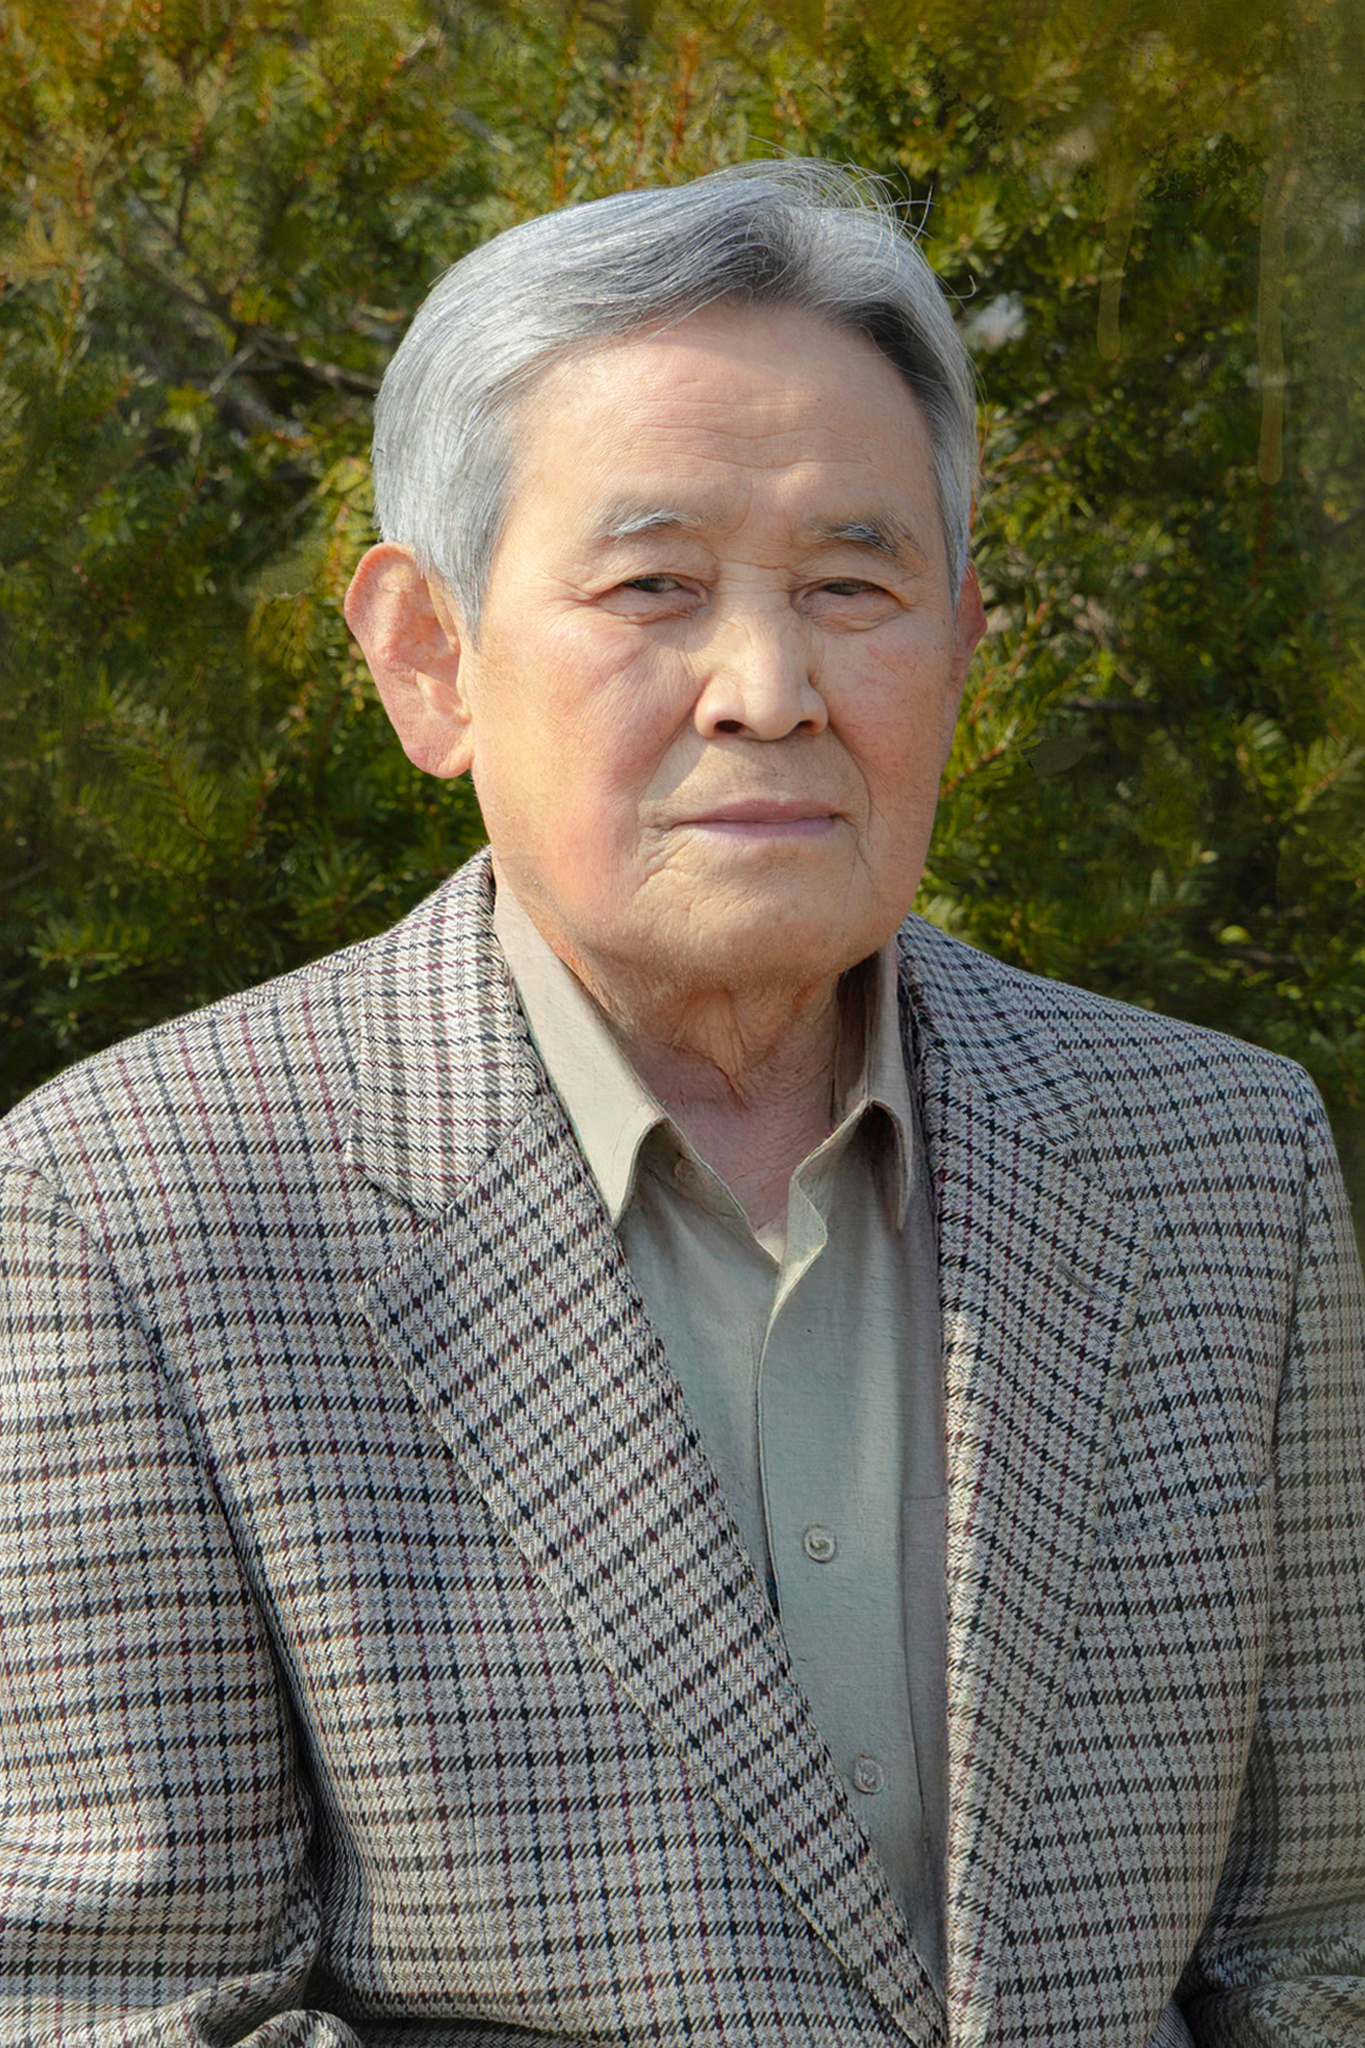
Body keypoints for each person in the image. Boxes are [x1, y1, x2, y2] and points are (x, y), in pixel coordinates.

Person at [1, 162, 1362, 2048]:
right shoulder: (134, 1210)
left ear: (961, 644)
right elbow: (119, 2006)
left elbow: (1317, 1945)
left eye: (851, 586)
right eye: (653, 586)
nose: (769, 688)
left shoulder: (1217, 1162)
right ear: (427, 656)